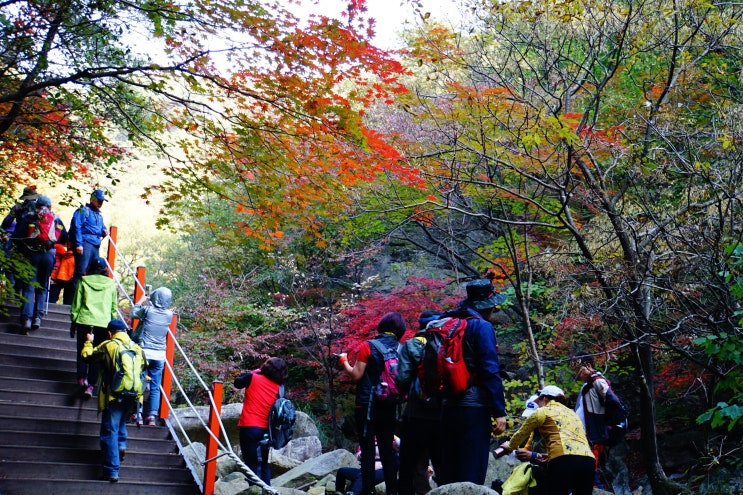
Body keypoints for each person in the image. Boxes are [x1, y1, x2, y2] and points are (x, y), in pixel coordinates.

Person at [436, 279, 508, 486]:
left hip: (446, 405)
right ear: (487, 305)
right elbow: (490, 370)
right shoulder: (481, 327)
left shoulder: (445, 322)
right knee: (471, 469)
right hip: (474, 408)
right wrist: (499, 411)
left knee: (450, 468)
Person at [338, 312, 405, 495]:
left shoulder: (369, 346)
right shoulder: (401, 349)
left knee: (367, 450)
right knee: (387, 450)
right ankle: (393, 491)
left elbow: (356, 375)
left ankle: (368, 491)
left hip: (367, 405)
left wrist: (344, 361)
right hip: (390, 405)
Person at [81, 318, 147, 483]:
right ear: (125, 331)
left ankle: (111, 470)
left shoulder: (109, 345)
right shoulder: (137, 348)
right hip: (134, 396)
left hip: (114, 395)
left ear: (110, 333)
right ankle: (122, 446)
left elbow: (87, 357)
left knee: (109, 431)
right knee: (121, 423)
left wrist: (89, 343)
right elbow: (144, 366)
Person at [499, 385, 595, 495]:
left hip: (563, 460)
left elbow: (521, 433)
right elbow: (573, 440)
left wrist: (509, 446)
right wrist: (546, 456)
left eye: (538, 400)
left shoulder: (543, 412)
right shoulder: (573, 415)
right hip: (588, 460)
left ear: (544, 399)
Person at [395, 310, 443, 495]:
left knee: (410, 463)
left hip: (416, 413)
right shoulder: (449, 343)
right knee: (443, 463)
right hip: (443, 413)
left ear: (420, 325)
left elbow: (402, 379)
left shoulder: (411, 345)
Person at [572, 357, 631, 494]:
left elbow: (613, 402)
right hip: (589, 433)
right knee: (587, 464)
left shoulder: (598, 381)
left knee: (590, 465)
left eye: (579, 370)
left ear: (588, 365)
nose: (577, 375)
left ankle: (597, 490)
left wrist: (605, 423)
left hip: (595, 433)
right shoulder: (589, 385)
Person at [10, 195, 64, 332]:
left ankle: (26, 319)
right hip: (49, 254)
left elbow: (17, 236)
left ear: (37, 205)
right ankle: (37, 318)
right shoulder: (55, 218)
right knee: (43, 287)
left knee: (29, 287)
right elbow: (65, 237)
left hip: (31, 254)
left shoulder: (29, 216)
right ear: (50, 206)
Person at [234, 357, 289, 486]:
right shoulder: (279, 388)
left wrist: (254, 372)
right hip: (267, 431)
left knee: (251, 464)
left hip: (249, 426)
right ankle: (266, 489)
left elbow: (237, 383)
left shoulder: (253, 378)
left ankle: (255, 489)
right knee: (263, 463)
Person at [70, 256, 118, 398]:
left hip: (84, 321)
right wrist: (112, 326)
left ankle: (81, 378)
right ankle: (91, 386)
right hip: (103, 323)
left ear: (90, 267)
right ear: (104, 269)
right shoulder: (110, 285)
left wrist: (73, 321)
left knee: (82, 349)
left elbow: (76, 304)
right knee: (97, 355)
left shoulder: (83, 281)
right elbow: (113, 308)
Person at [130, 286, 174, 426]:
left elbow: (134, 313)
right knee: (155, 386)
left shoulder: (147, 310)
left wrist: (141, 300)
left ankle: (138, 414)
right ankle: (152, 417)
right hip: (160, 355)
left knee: (140, 382)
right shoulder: (169, 314)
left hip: (144, 352)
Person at [70, 189, 108, 288]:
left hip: (96, 244)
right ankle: (74, 297)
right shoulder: (83, 211)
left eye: (102, 201)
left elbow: (102, 227)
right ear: (93, 199)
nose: (101, 203)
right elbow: (76, 226)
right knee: (81, 270)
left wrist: (105, 231)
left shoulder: (99, 215)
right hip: (85, 242)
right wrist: (78, 244)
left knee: (94, 270)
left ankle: (88, 297)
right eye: (99, 200)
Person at [336, 437, 401, 495]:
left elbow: (400, 444)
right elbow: (359, 455)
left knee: (364, 475)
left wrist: (393, 436)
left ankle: (353, 493)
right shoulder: (367, 441)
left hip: (383, 471)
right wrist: (361, 455)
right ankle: (339, 492)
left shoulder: (389, 441)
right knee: (342, 471)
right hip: (366, 470)